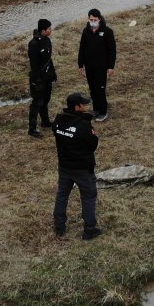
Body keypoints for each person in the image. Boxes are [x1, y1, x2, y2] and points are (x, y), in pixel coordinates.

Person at [52, 92, 102, 239]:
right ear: (77, 106)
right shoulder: (84, 126)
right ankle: (89, 230)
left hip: (64, 167)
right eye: (83, 104)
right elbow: (93, 145)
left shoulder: (58, 121)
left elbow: (56, 129)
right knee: (88, 197)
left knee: (62, 194)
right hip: (82, 169)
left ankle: (59, 226)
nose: (86, 106)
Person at [77, 8, 117, 121]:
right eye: (91, 19)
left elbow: (112, 50)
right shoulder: (86, 31)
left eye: (95, 19)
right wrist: (80, 65)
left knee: (100, 88)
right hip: (89, 65)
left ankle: (103, 111)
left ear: (99, 19)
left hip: (101, 66)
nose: (93, 21)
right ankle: (96, 109)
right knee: (92, 89)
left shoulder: (108, 31)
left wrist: (110, 66)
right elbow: (82, 48)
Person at [27, 19, 56, 137]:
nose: (51, 30)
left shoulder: (47, 40)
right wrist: (37, 81)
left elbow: (48, 59)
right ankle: (32, 129)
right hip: (38, 79)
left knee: (46, 99)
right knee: (37, 103)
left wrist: (53, 73)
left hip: (48, 77)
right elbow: (34, 65)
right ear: (43, 30)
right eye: (49, 29)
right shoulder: (33, 44)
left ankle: (45, 122)